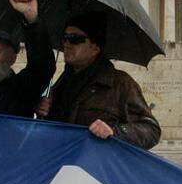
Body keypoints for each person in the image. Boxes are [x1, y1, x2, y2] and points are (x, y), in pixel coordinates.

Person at [39, 11, 160, 149]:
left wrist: (114, 132)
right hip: (66, 163)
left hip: (98, 166)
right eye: (65, 38)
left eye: (75, 39)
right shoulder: (61, 84)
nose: (67, 44)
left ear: (95, 48)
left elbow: (151, 130)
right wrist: (43, 112)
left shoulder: (120, 83)